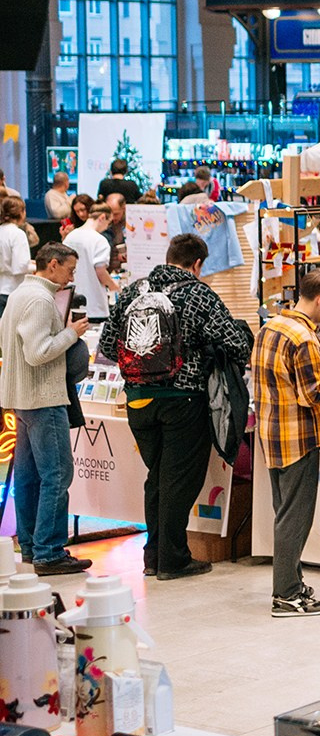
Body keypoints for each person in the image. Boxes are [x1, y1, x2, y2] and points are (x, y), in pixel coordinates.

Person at [103, 232, 251, 580]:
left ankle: (153, 555)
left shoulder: (132, 292)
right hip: (184, 401)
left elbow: (110, 345)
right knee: (178, 482)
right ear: (197, 263)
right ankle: (173, 559)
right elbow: (233, 343)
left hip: (138, 400)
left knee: (156, 477)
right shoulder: (198, 294)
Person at [254, 268, 320, 615]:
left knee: (285, 513)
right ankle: (286, 594)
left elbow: (283, 377)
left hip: (272, 432)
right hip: (298, 437)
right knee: (294, 518)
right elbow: (313, 393)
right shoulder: (303, 337)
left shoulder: (271, 326)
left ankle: (293, 584)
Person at [0, 243, 90, 576]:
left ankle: (31, 544)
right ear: (52, 265)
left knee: (27, 477)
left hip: (22, 398)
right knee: (56, 476)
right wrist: (71, 333)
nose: (71, 276)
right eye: (69, 269)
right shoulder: (40, 300)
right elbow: (38, 352)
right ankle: (50, 552)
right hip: (43, 398)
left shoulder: (20, 294)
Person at [64, 203, 116, 325]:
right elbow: (101, 272)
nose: (107, 227)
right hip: (95, 305)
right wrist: (114, 287)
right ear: (102, 217)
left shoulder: (70, 237)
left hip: (71, 302)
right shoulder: (99, 240)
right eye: (109, 223)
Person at [0, 195, 32, 313]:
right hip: (13, 291)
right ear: (21, 212)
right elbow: (20, 266)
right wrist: (38, 266)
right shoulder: (18, 234)